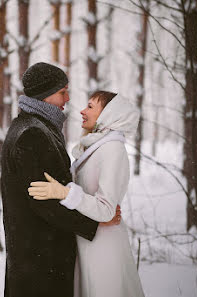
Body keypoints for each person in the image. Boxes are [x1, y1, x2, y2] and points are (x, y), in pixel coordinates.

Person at [0, 63, 120, 297]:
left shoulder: (33, 126)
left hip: (35, 256)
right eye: (62, 91)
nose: (68, 97)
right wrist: (95, 222)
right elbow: (42, 201)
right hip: (40, 260)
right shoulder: (32, 134)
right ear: (45, 95)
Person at [28, 91, 145, 297]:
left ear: (109, 114)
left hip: (104, 249)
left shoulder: (112, 150)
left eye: (90, 107)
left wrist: (65, 193)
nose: (82, 111)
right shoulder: (95, 147)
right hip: (88, 241)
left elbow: (106, 210)